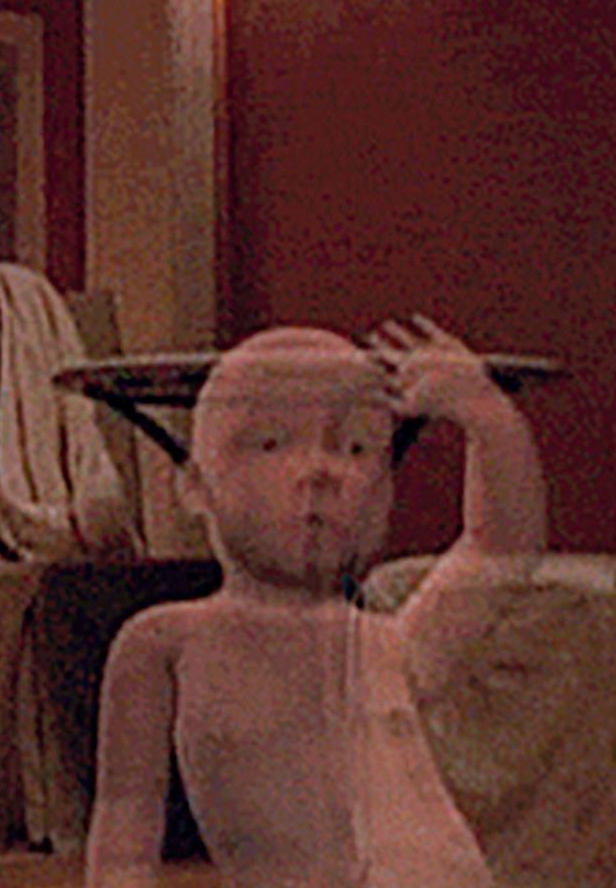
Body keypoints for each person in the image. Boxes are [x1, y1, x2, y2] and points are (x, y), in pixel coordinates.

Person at [85, 316, 547, 888]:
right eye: (271, 443)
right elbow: (125, 835)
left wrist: (487, 417)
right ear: (194, 487)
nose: (320, 471)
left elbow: (498, 549)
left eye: (355, 448)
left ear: (383, 492)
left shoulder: (391, 644)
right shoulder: (168, 642)